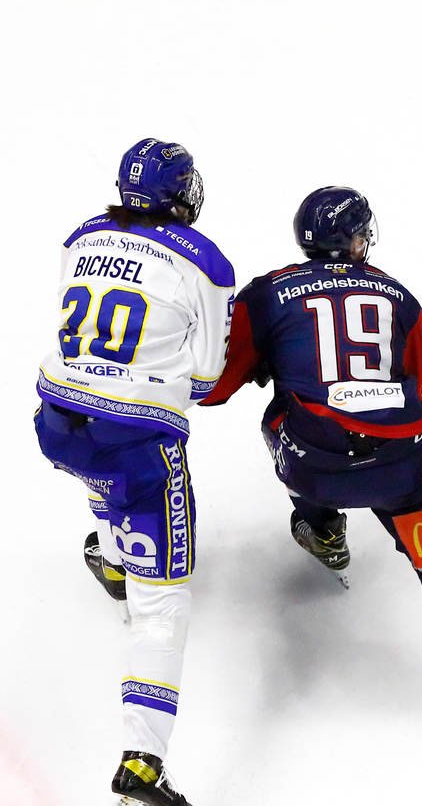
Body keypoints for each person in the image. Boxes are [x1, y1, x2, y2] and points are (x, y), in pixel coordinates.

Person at [201, 187, 422, 767]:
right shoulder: (397, 294)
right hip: (403, 471)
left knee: (278, 420)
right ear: (357, 238)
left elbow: (217, 386)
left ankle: (322, 528)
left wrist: (261, 368)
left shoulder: (267, 292)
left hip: (314, 467)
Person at [35, 139, 233, 805]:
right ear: (183, 191)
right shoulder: (205, 261)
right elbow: (204, 380)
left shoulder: (81, 235)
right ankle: (143, 763)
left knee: (100, 471)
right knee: (161, 607)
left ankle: (117, 559)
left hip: (56, 422)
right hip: (134, 441)